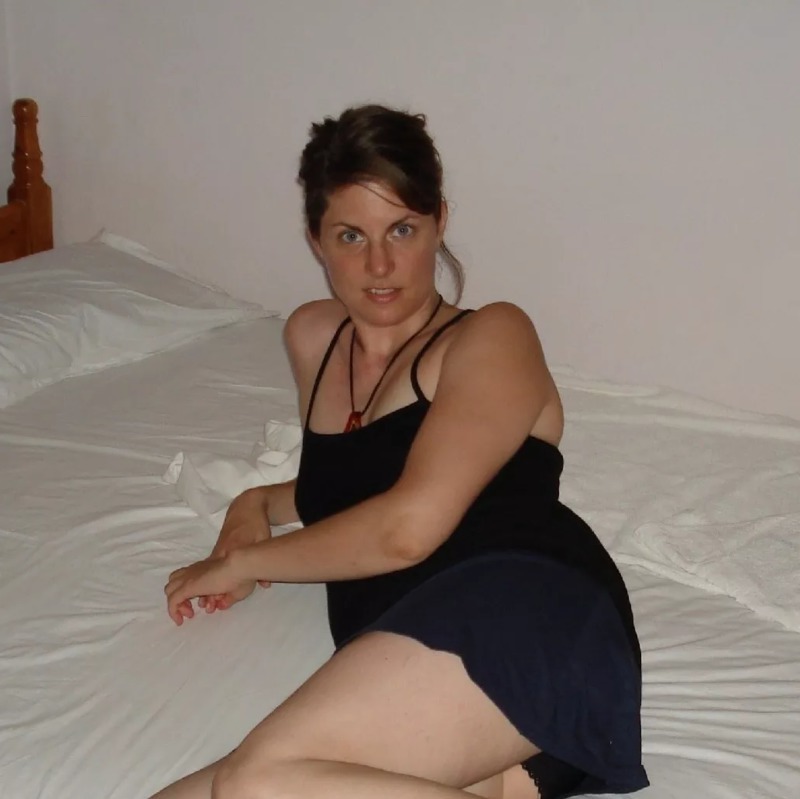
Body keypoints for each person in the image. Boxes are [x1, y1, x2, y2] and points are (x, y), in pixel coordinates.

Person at [157, 105, 649, 799]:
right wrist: (256, 503)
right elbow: (356, 481)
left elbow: (407, 526)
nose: (379, 264)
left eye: (402, 229)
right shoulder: (313, 337)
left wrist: (242, 563)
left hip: (520, 610)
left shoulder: (493, 336)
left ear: (439, 221)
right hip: (411, 654)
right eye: (350, 236)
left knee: (255, 783)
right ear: (316, 239)